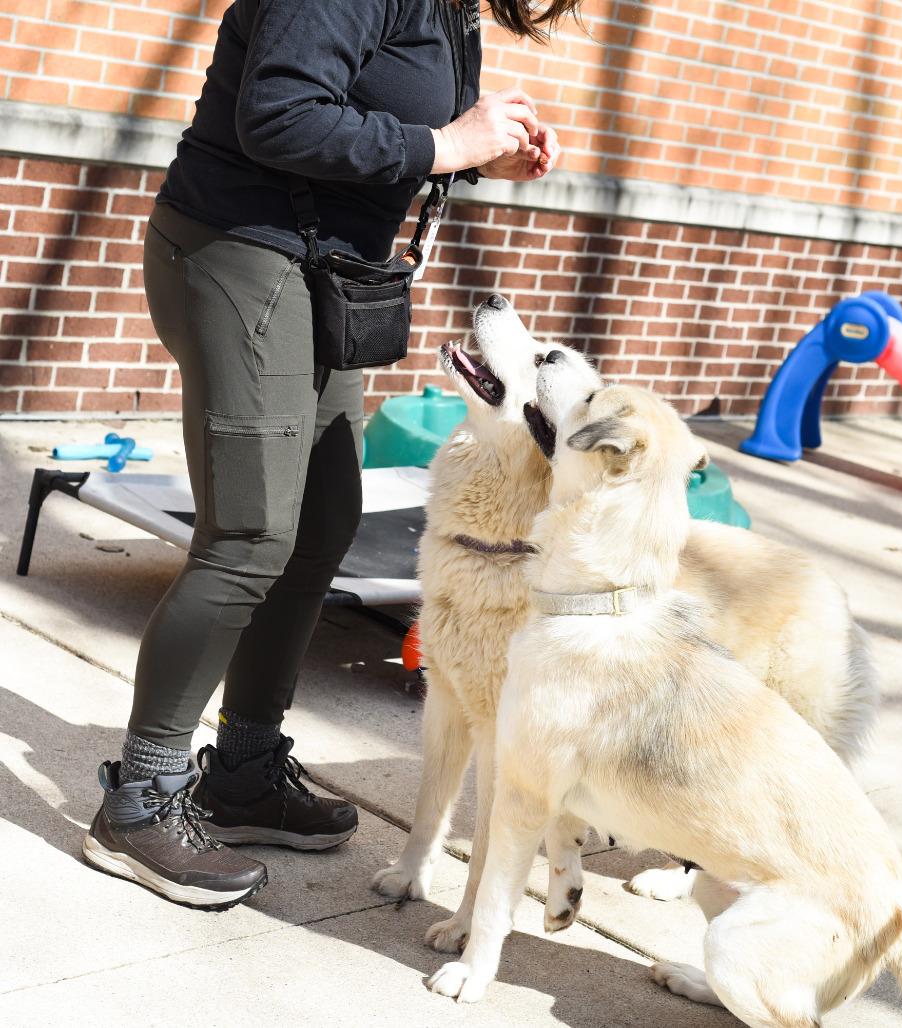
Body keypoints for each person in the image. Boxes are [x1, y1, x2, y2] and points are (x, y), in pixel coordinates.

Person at [82, 0, 567, 909]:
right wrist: (442, 146)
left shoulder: (448, 9)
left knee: (321, 523)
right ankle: (139, 803)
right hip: (241, 253)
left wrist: (476, 151)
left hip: (325, 273)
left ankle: (244, 770)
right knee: (250, 534)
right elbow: (278, 114)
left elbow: (387, 126)